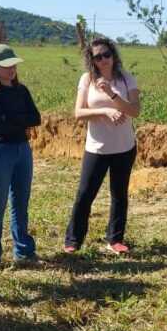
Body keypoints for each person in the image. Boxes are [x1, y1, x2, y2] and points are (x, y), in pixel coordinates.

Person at [64, 37, 140, 255]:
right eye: (98, 56)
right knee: (85, 194)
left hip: (124, 147)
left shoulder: (126, 79)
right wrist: (104, 111)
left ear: (113, 55)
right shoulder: (87, 80)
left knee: (119, 194)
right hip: (97, 148)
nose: (104, 60)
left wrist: (111, 95)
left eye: (107, 54)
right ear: (92, 59)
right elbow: (79, 113)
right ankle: (73, 241)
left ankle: (115, 240)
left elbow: (135, 111)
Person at [0, 44, 42, 270]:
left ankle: (24, 250)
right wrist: (19, 119)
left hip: (22, 149)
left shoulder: (21, 90)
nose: (12, 69)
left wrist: (12, 117)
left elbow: (36, 118)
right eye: (6, 66)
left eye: (13, 64)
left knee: (21, 202)